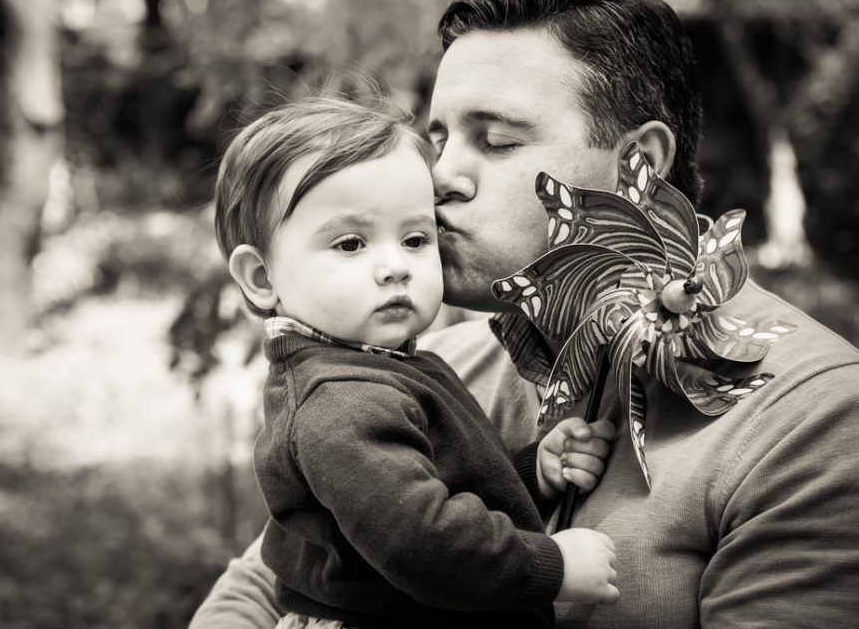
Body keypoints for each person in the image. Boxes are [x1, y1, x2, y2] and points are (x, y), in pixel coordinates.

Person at [193, 0, 859, 629]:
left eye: (493, 141)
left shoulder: (819, 423)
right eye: (437, 142)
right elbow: (273, 578)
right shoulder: (424, 363)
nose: (440, 181)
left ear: (637, 164)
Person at [213, 95, 620, 628]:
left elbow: (435, 486)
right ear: (263, 278)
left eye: (414, 238)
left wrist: (532, 472)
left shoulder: (379, 368)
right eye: (351, 243)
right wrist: (549, 565)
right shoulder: (337, 401)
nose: (394, 268)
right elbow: (420, 540)